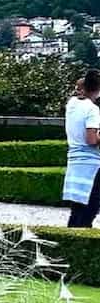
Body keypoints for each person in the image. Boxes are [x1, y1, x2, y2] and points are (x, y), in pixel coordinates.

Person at [64, 69, 100, 228]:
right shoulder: (92, 109)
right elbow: (92, 140)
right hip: (91, 165)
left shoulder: (72, 104)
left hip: (74, 161)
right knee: (89, 210)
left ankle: (71, 243)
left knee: (77, 210)